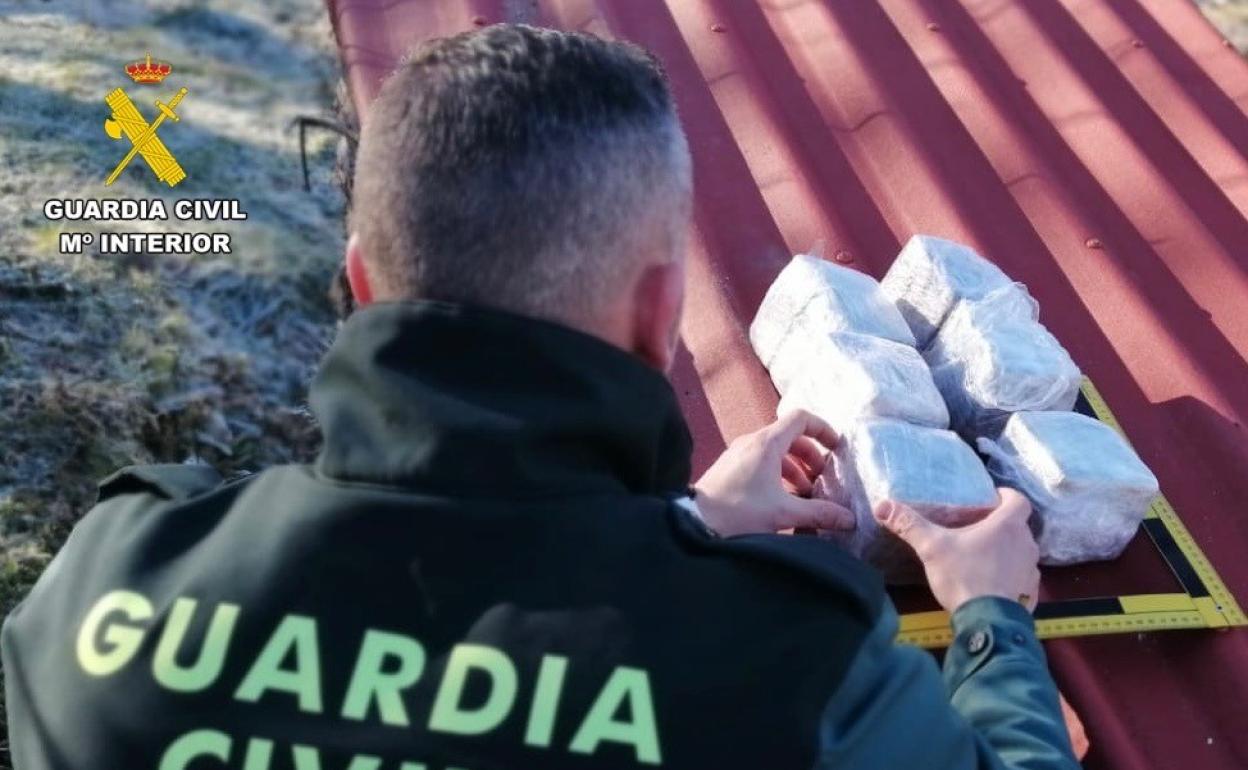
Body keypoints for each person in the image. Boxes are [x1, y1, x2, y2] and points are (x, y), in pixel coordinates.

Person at [2, 24, 1078, 770]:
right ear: (663, 315)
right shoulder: (801, 675)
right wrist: (990, 616)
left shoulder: (99, 595)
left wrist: (679, 527)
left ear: (361, 279)